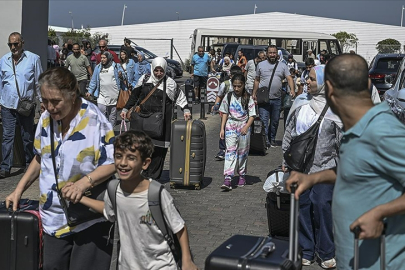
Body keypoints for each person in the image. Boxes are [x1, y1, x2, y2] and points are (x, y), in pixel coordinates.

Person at [286, 54, 405, 269]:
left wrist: (379, 213)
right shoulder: (353, 128)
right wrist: (313, 178)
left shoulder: (383, 131)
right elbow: (352, 170)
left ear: (329, 89)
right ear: (369, 84)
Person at [5, 67, 116, 270]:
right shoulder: (47, 119)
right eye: (45, 101)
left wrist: (83, 183)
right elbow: (40, 157)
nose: (49, 107)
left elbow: (113, 162)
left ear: (72, 95)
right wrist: (18, 189)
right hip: (53, 219)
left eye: (55, 101)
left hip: (89, 219)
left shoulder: (95, 119)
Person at [77, 130, 198, 270]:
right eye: (118, 156)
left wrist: (187, 260)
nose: (123, 163)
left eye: (131, 158)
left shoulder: (157, 194)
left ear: (145, 163)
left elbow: (179, 227)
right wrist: (81, 198)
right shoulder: (113, 189)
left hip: (161, 265)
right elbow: (108, 210)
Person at [283, 65, 342, 268]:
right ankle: (306, 249)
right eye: (307, 78)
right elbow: (289, 133)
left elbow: (341, 141)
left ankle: (326, 252)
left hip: (326, 167)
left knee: (323, 205)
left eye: (311, 79)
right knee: (302, 207)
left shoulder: (336, 109)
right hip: (300, 168)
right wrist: (285, 160)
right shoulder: (300, 103)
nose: (306, 82)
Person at [120, 57, 191, 180]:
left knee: (158, 150)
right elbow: (134, 96)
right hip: (143, 120)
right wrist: (126, 109)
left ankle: (152, 176)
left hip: (161, 123)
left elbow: (180, 97)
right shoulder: (144, 79)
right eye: (156, 70)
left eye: (161, 71)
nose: (158, 74)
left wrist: (185, 110)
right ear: (152, 68)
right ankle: (142, 171)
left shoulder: (170, 83)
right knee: (141, 148)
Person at [0, 32, 43, 178]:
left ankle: (29, 164)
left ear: (22, 43)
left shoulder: (33, 59)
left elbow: (38, 82)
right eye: (10, 44)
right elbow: (1, 83)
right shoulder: (4, 60)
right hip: (8, 105)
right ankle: (5, 167)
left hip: (26, 106)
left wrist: (42, 102)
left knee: (27, 136)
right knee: (7, 137)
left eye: (16, 44)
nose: (13, 47)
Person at [252, 45, 295, 148]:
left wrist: (292, 90)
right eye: (270, 53)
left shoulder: (283, 66)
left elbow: (289, 78)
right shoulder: (260, 65)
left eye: (274, 53)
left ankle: (272, 139)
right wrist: (254, 93)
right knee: (264, 120)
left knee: (275, 121)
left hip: (277, 99)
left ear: (277, 54)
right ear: (267, 54)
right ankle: (265, 141)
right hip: (263, 98)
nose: (272, 55)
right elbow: (257, 80)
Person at [219, 73, 256, 190]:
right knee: (230, 151)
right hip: (231, 124)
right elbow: (224, 112)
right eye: (234, 86)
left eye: (239, 86)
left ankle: (242, 175)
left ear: (243, 85)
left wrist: (246, 127)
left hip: (243, 125)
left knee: (242, 152)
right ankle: (228, 177)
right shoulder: (228, 96)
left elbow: (252, 115)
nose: (236, 88)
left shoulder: (248, 98)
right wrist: (222, 128)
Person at [212, 66, 243, 161]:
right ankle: (222, 149)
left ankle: (236, 148)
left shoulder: (242, 84)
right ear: (231, 75)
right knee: (224, 129)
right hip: (226, 110)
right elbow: (219, 95)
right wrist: (216, 105)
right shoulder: (225, 84)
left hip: (238, 111)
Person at [88, 51, 124, 128]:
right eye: (101, 58)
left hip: (113, 94)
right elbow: (94, 80)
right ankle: (103, 130)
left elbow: (124, 76)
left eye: (104, 58)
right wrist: (90, 91)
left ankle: (111, 130)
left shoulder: (116, 66)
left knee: (112, 114)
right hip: (102, 94)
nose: (102, 59)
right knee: (101, 111)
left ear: (109, 58)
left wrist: (121, 75)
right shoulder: (98, 67)